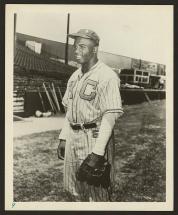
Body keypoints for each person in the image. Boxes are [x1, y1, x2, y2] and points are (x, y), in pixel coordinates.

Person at [57, 29, 123, 202]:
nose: (76, 50)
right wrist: (64, 137)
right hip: (72, 136)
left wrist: (98, 152)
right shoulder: (74, 76)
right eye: (75, 46)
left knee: (96, 195)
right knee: (71, 190)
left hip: (93, 137)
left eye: (82, 47)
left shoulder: (107, 76)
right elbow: (70, 110)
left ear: (95, 49)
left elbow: (110, 116)